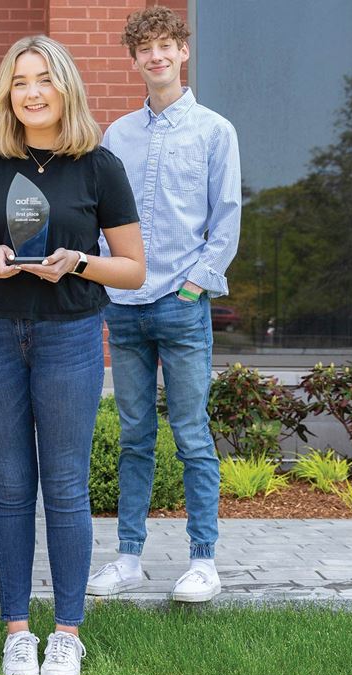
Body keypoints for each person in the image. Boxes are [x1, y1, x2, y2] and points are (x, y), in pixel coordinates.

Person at [0, 36, 144, 675]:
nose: (31, 91)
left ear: (65, 88)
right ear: (7, 93)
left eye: (43, 79)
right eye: (20, 80)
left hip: (71, 334)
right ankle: (18, 633)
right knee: (9, 488)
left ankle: (68, 634)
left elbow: (134, 269)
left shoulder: (100, 166)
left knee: (65, 485)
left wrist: (78, 260)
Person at [86, 6, 241, 603]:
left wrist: (195, 286)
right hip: (123, 307)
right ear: (134, 60)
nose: (155, 57)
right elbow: (103, 220)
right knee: (133, 436)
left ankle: (203, 560)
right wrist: (105, 278)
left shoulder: (214, 130)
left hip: (182, 305)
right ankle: (128, 557)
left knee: (192, 435)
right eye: (144, 49)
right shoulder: (116, 135)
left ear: (182, 51)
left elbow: (225, 221)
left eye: (165, 46)